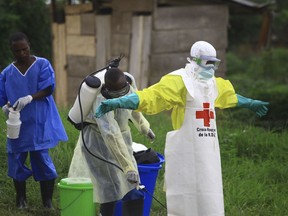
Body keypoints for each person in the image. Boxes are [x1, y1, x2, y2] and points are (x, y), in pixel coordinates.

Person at [95, 41, 269, 216]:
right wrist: (118, 102)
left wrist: (250, 103)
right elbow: (150, 97)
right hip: (185, 154)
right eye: (207, 62)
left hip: (209, 155)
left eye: (214, 63)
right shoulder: (179, 81)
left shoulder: (213, 84)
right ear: (194, 60)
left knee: (210, 196)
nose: (210, 68)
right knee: (186, 200)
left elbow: (229, 97)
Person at [67, 67, 155, 216]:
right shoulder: (101, 101)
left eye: (123, 91)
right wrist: (128, 167)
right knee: (110, 188)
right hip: (98, 143)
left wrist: (145, 127)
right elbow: (111, 134)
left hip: (123, 139)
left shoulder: (128, 86)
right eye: (117, 93)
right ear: (107, 89)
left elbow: (134, 108)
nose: (121, 95)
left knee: (134, 186)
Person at [0, 32, 68, 209]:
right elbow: (3, 97)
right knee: (16, 160)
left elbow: (47, 89)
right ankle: (20, 201)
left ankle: (47, 202)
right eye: (17, 51)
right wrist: (6, 107)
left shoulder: (42, 64)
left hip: (39, 121)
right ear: (12, 51)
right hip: (18, 124)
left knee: (42, 160)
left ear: (29, 45)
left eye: (25, 49)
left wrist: (30, 97)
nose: (22, 53)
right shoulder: (7, 73)